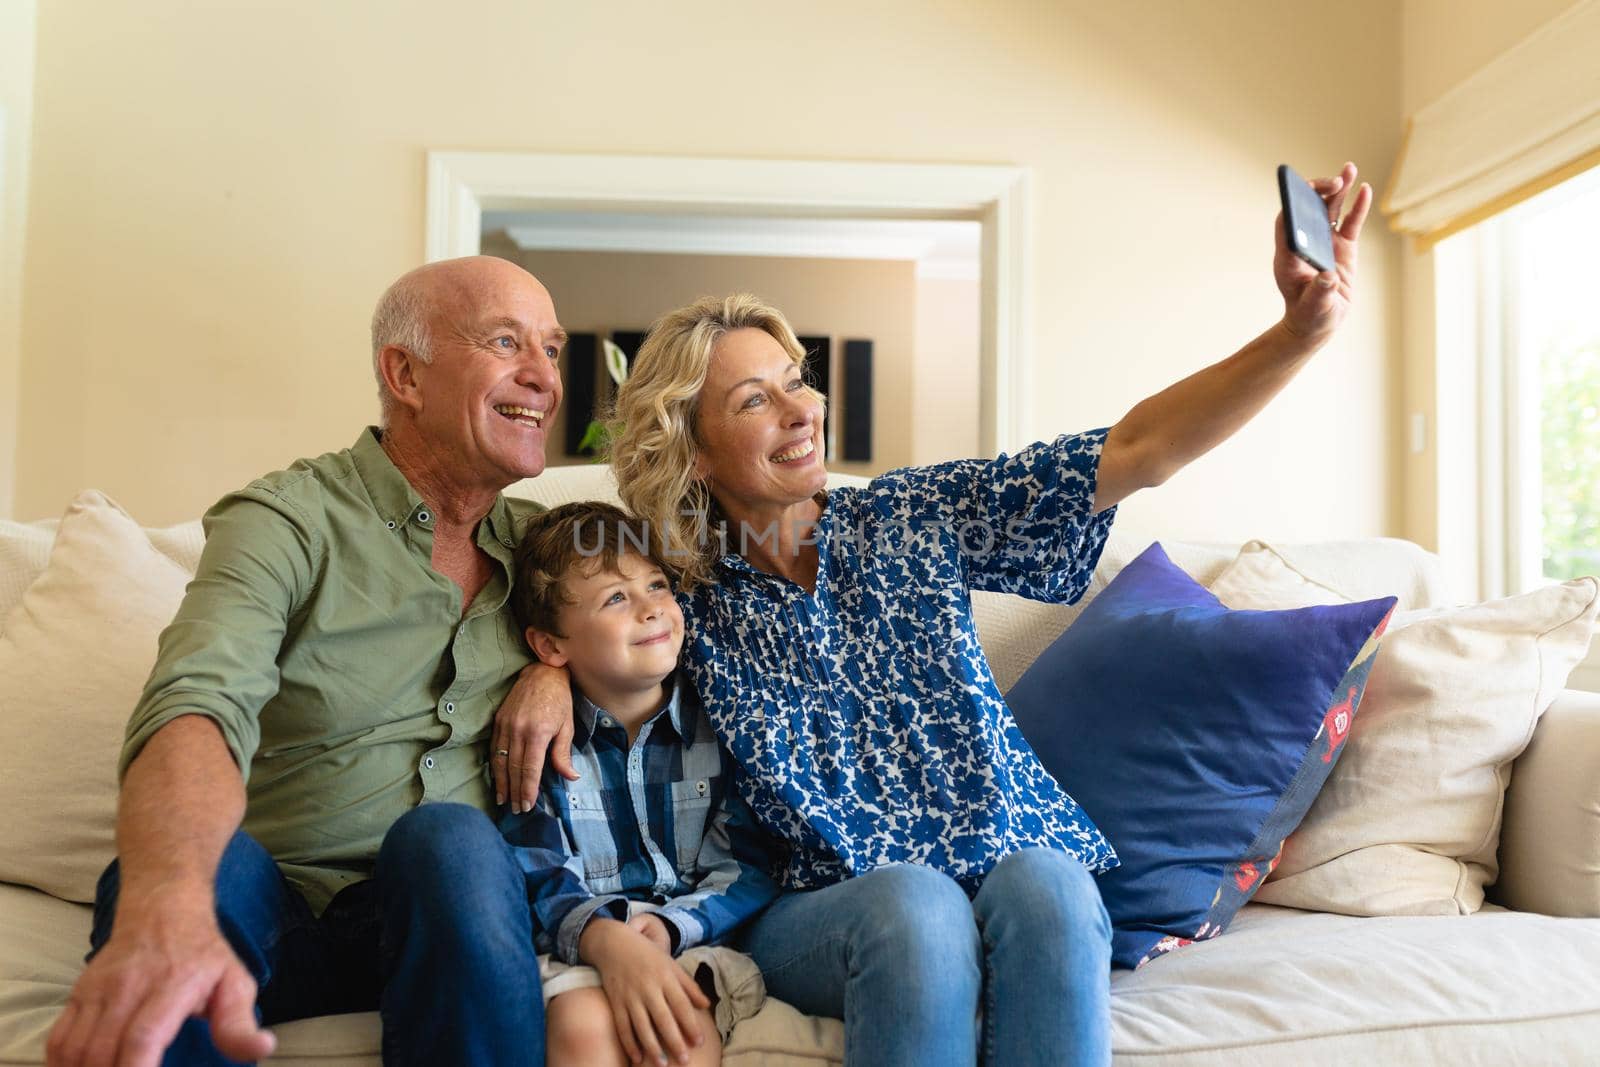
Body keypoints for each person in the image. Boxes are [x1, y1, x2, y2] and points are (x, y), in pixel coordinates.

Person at [533, 164, 1372, 1066]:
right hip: (831, 905)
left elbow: (1139, 449)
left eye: (795, 380)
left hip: (1014, 864)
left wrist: (1298, 333)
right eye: (754, 400)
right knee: (916, 904)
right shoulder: (681, 591)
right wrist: (541, 676)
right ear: (693, 453)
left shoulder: (913, 515)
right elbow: (580, 612)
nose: (803, 408)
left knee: (1050, 884)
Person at [46, 256, 580, 1067]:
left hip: (444, 921)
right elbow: (198, 704)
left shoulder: (551, 557)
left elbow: (659, 640)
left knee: (455, 840)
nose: (542, 377)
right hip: (280, 911)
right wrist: (169, 896)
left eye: (552, 348)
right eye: (507, 342)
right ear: (404, 372)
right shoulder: (286, 519)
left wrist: (559, 667)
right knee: (204, 871)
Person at [499, 501, 781, 1067]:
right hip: (581, 945)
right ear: (551, 646)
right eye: (616, 598)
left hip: (690, 936)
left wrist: (667, 927)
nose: (652, 608)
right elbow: (538, 870)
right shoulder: (542, 743)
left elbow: (749, 865)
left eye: (657, 584)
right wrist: (610, 940)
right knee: (582, 1026)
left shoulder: (722, 723)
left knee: (681, 1031)